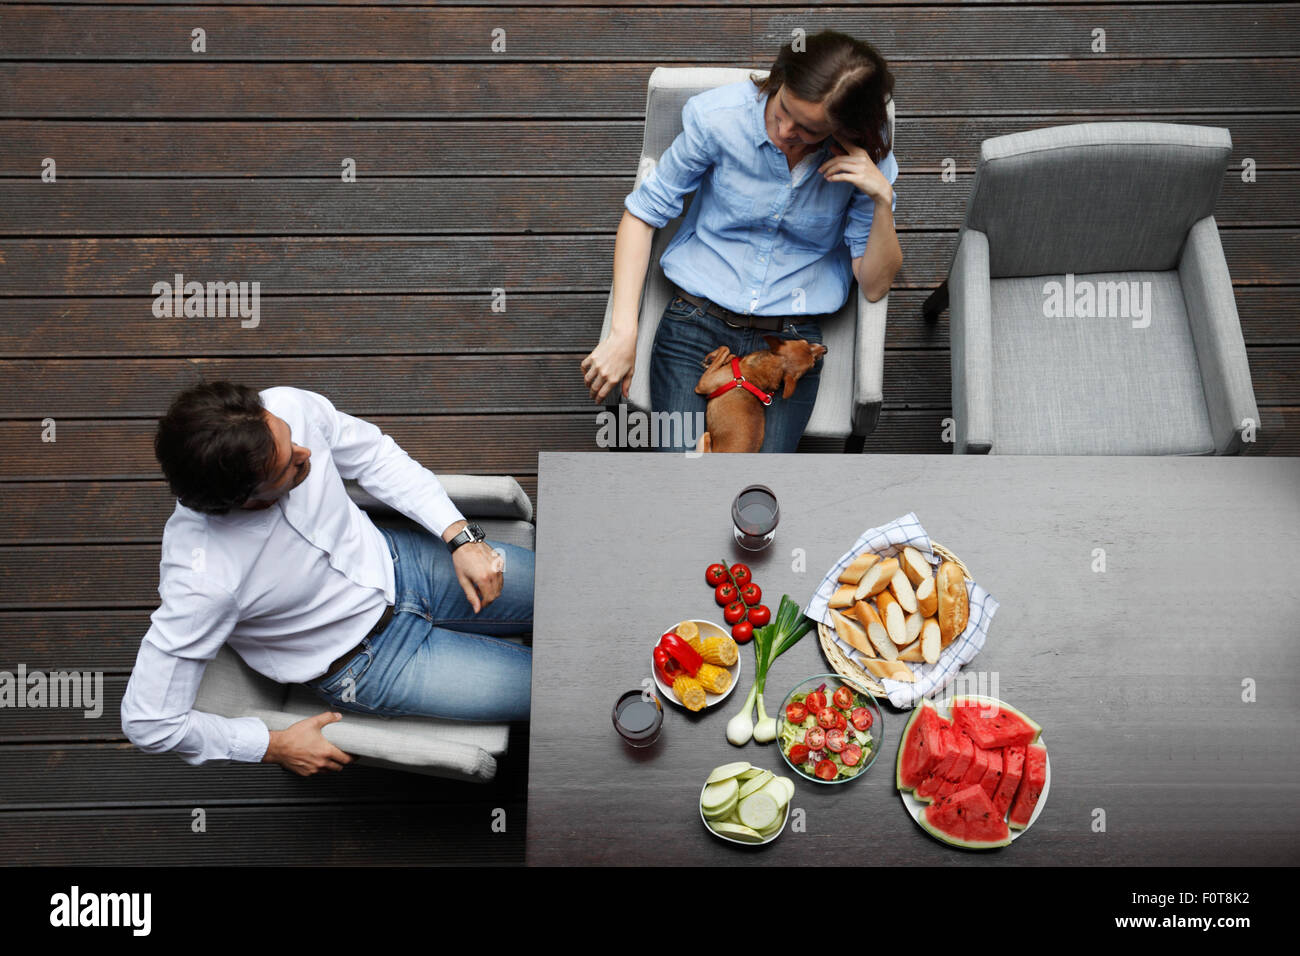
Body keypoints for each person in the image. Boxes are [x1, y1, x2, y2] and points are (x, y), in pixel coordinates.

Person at [120, 382, 533, 776]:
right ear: (244, 500)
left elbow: (375, 456)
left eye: (289, 439)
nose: (305, 452)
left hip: (404, 562)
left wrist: (460, 538)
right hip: (371, 664)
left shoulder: (288, 408)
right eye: (289, 465)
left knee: (576, 598)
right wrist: (271, 745)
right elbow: (148, 722)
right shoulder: (201, 583)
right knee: (559, 689)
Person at [581, 31, 903, 452]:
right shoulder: (718, 118)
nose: (785, 130)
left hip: (787, 342)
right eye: (783, 109)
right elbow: (643, 213)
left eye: (808, 130)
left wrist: (881, 199)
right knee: (683, 477)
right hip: (695, 322)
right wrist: (624, 331)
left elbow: (876, 283)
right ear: (780, 78)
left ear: (843, 130)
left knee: (753, 498)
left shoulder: (867, 159)